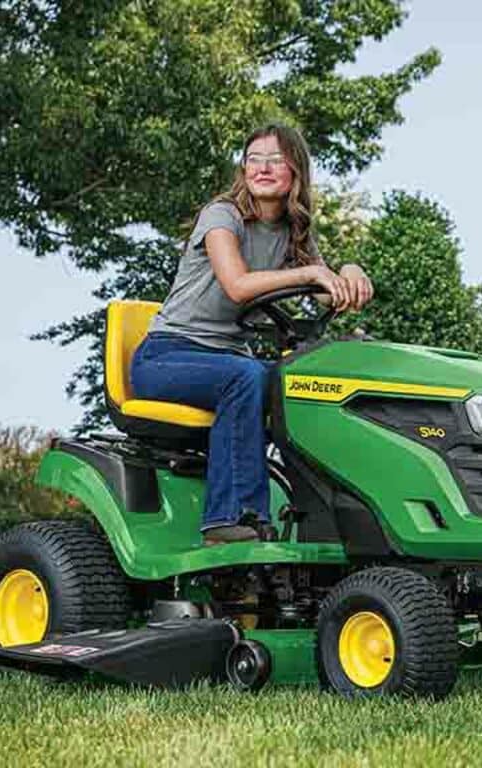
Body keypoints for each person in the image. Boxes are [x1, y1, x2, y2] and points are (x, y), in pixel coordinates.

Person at [131, 124, 374, 544]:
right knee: (244, 376)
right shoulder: (222, 215)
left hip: (228, 362)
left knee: (301, 381)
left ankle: (331, 516)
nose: (262, 168)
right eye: (253, 159)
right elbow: (237, 285)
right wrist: (312, 271)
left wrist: (348, 274)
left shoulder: (292, 230)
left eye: (275, 159)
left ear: (296, 169)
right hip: (166, 356)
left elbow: (323, 296)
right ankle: (229, 519)